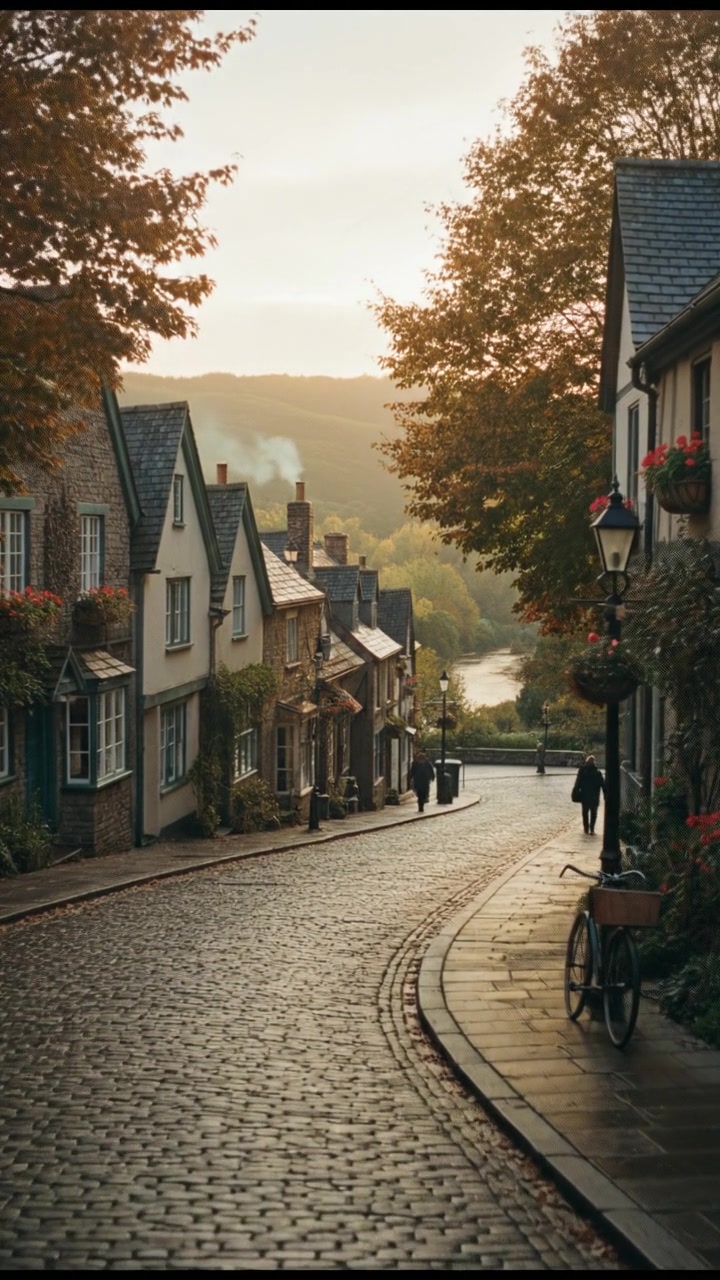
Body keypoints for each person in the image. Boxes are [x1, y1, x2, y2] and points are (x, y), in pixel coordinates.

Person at [574, 754, 606, 835]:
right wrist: (605, 795)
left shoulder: (582, 771)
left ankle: (586, 829)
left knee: (585, 812)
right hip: (594, 796)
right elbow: (603, 784)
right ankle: (592, 829)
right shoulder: (597, 773)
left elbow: (578, 782)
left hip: (585, 795)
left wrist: (576, 790)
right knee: (593, 813)